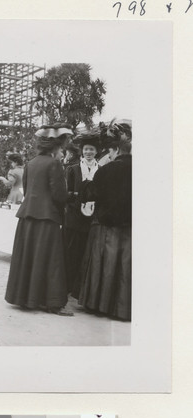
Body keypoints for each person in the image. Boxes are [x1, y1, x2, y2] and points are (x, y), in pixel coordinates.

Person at [5, 123, 74, 316]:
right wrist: (72, 198)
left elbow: (27, 191)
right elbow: (59, 195)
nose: (61, 152)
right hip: (47, 217)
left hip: (28, 216)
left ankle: (25, 298)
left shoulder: (31, 163)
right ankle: (52, 303)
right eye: (61, 148)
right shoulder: (54, 164)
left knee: (29, 256)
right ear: (55, 147)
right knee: (50, 259)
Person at [77, 120, 132, 321]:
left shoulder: (107, 169)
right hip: (131, 228)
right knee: (125, 267)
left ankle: (99, 305)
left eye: (110, 151)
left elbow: (89, 195)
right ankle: (124, 309)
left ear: (116, 149)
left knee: (106, 266)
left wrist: (84, 184)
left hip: (107, 228)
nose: (109, 155)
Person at [64, 133, 101, 294]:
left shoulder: (100, 170)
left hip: (91, 218)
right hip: (74, 217)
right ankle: (68, 285)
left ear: (96, 151)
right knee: (71, 252)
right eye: (86, 149)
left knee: (86, 253)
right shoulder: (73, 169)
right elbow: (67, 193)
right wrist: (76, 199)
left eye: (91, 149)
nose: (88, 152)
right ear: (82, 151)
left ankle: (81, 289)